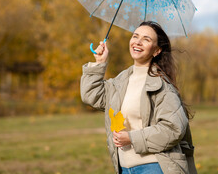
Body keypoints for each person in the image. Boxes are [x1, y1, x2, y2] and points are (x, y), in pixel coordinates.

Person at [81, 21, 197, 174]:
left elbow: (173, 129)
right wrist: (99, 63)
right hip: (124, 168)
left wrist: (131, 138)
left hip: (155, 166)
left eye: (146, 39)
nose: (138, 42)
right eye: (135, 36)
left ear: (156, 51)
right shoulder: (121, 80)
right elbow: (91, 96)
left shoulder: (162, 86)